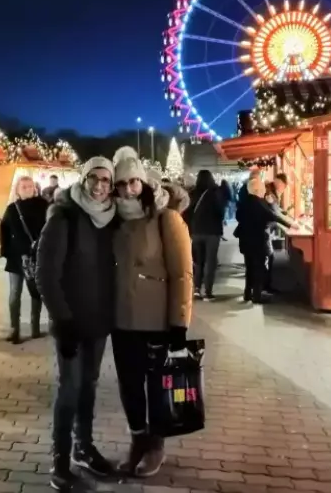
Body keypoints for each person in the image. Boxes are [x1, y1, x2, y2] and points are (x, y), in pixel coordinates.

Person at [110, 147, 193, 477]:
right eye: (122, 184)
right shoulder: (112, 220)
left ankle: (156, 443)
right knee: (129, 385)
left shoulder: (166, 217)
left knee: (158, 384)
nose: (128, 189)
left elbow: (183, 273)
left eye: (134, 182)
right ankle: (137, 439)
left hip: (157, 320)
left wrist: (179, 323)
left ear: (144, 182)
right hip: (121, 319)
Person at [36, 157, 117, 491]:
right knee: (69, 389)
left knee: (89, 386)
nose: (100, 186)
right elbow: (45, 274)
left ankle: (84, 446)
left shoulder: (113, 217)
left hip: (99, 320)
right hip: (71, 321)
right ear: (83, 179)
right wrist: (62, 319)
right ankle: (60, 459)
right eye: (94, 178)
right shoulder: (64, 215)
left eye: (106, 180)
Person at [0, 176, 48, 344]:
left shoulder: (43, 205)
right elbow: (3, 230)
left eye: (30, 186)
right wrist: (5, 251)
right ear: (17, 190)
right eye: (24, 186)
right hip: (16, 257)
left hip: (36, 256)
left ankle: (35, 327)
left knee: (35, 292)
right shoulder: (12, 208)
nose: (27, 188)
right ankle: (15, 329)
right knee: (14, 294)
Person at [236, 177, 297, 304]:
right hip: (258, 240)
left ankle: (247, 293)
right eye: (262, 188)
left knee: (249, 267)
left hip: (245, 240)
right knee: (258, 267)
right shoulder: (259, 202)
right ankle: (257, 295)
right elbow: (273, 216)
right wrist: (290, 225)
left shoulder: (244, 202)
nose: (265, 189)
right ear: (257, 189)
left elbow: (239, 217)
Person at [184, 170, 228, 300]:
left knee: (198, 261)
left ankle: (197, 289)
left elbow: (187, 213)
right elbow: (220, 211)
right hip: (212, 232)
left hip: (196, 232)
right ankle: (208, 292)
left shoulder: (192, 193)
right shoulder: (215, 193)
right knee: (210, 261)